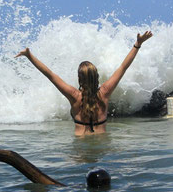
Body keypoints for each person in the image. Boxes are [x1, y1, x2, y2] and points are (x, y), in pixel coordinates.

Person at [15, 31, 153, 136]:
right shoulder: (105, 92)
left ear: (79, 79)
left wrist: (30, 56)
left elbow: (50, 75)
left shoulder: (74, 96)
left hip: (80, 147)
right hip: (102, 143)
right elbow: (123, 67)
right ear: (97, 76)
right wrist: (137, 45)